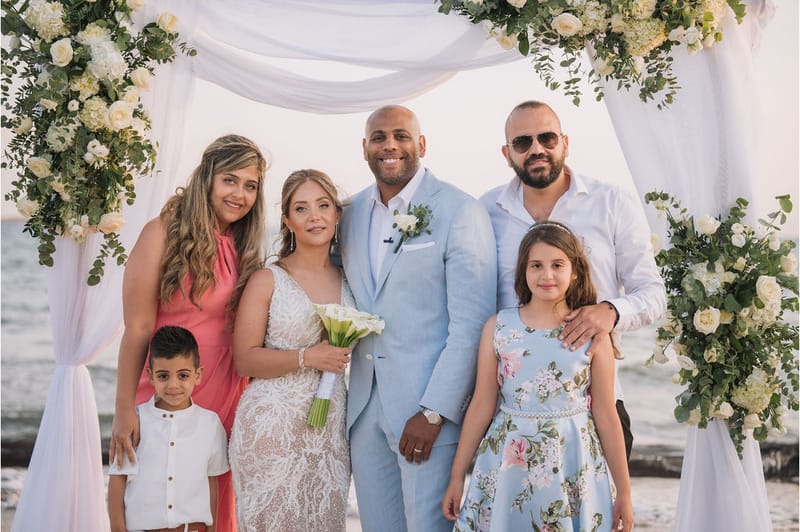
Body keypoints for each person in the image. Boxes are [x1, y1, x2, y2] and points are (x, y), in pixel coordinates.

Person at [338, 105, 497, 532]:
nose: (390, 145)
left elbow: (472, 326)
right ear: (365, 148)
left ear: (421, 144)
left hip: (427, 418)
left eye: (401, 135)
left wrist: (433, 412)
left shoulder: (460, 211)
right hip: (364, 416)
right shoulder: (348, 214)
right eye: (378, 137)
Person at [481, 100, 666, 458]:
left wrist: (609, 312)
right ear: (507, 153)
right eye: (523, 142)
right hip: (512, 410)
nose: (537, 149)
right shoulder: (485, 212)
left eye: (547, 138)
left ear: (565, 142)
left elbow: (653, 293)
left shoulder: (612, 202)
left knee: (604, 511)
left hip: (598, 403)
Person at [109, 134, 268, 532]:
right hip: (169, 385)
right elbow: (139, 327)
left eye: (251, 186)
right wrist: (125, 408)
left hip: (226, 393)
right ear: (207, 178)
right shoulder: (160, 233)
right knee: (155, 496)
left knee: (211, 504)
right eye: (230, 180)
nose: (240, 194)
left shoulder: (242, 242)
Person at [442, 222, 634, 531]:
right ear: (523, 271)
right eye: (536, 265)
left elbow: (606, 414)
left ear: (575, 272)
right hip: (507, 463)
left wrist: (624, 492)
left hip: (573, 460)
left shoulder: (591, 334)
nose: (546, 275)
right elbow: (481, 405)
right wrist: (456, 477)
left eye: (557, 265)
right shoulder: (499, 327)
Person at [229, 169, 353, 531]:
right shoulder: (268, 279)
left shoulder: (353, 278)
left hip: (329, 429)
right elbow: (244, 359)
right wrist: (307, 357)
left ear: (337, 215)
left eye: (323, 205)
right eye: (301, 208)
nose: (314, 216)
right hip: (271, 428)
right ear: (287, 221)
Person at [108, 325, 229, 532]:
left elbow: (212, 481)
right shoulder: (136, 422)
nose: (173, 385)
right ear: (151, 375)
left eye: (183, 375)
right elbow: (118, 480)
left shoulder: (210, 424)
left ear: (197, 375)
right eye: (164, 376)